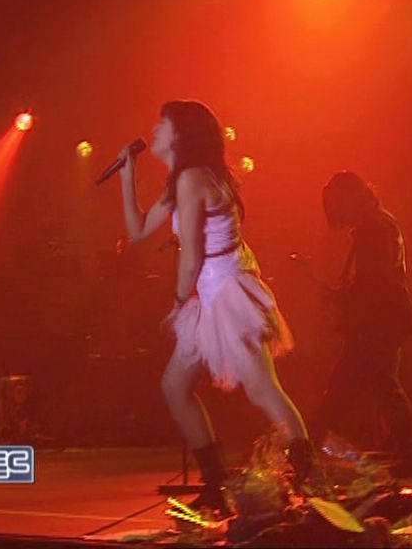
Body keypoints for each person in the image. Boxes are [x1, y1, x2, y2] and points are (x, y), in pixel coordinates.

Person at [115, 99, 316, 515]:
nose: (154, 130)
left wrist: (178, 303)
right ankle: (216, 483)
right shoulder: (185, 179)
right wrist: (127, 174)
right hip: (211, 293)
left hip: (226, 293)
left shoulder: (192, 179)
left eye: (163, 123)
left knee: (261, 388)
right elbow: (138, 231)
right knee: (176, 387)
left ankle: (308, 478)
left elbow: (191, 255)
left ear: (182, 134)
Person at [308, 170, 412, 478]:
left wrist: (344, 298)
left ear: (349, 199)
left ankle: (307, 447)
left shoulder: (372, 229)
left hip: (377, 321)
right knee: (378, 384)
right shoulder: (382, 223)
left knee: (352, 386)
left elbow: (374, 283)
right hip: (386, 319)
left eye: (337, 205)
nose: (336, 214)